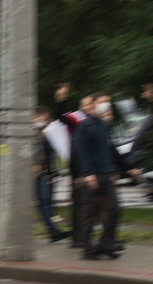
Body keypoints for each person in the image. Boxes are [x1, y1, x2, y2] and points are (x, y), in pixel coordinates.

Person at [74, 98, 123, 259]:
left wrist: (113, 169)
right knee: (91, 213)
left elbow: (107, 150)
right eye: (102, 102)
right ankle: (88, 249)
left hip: (106, 174)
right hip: (93, 176)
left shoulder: (104, 125)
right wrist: (87, 173)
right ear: (94, 104)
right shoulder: (85, 125)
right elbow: (82, 151)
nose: (106, 105)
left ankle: (105, 244)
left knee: (114, 209)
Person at [33, 106, 69, 242]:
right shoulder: (31, 133)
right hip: (38, 171)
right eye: (37, 117)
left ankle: (53, 229)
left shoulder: (50, 132)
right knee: (44, 200)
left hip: (48, 171)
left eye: (40, 116)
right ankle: (53, 230)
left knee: (47, 201)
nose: (38, 119)